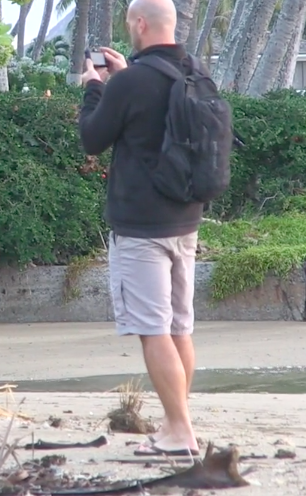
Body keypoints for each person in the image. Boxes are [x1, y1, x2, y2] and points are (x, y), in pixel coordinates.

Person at [78, 0, 203, 457]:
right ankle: (177, 423)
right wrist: (124, 75)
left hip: (140, 227)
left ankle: (180, 431)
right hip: (186, 219)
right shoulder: (192, 72)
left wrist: (95, 88)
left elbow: (92, 138)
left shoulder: (129, 83)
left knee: (154, 331)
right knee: (179, 329)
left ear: (141, 24)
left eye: (130, 23)